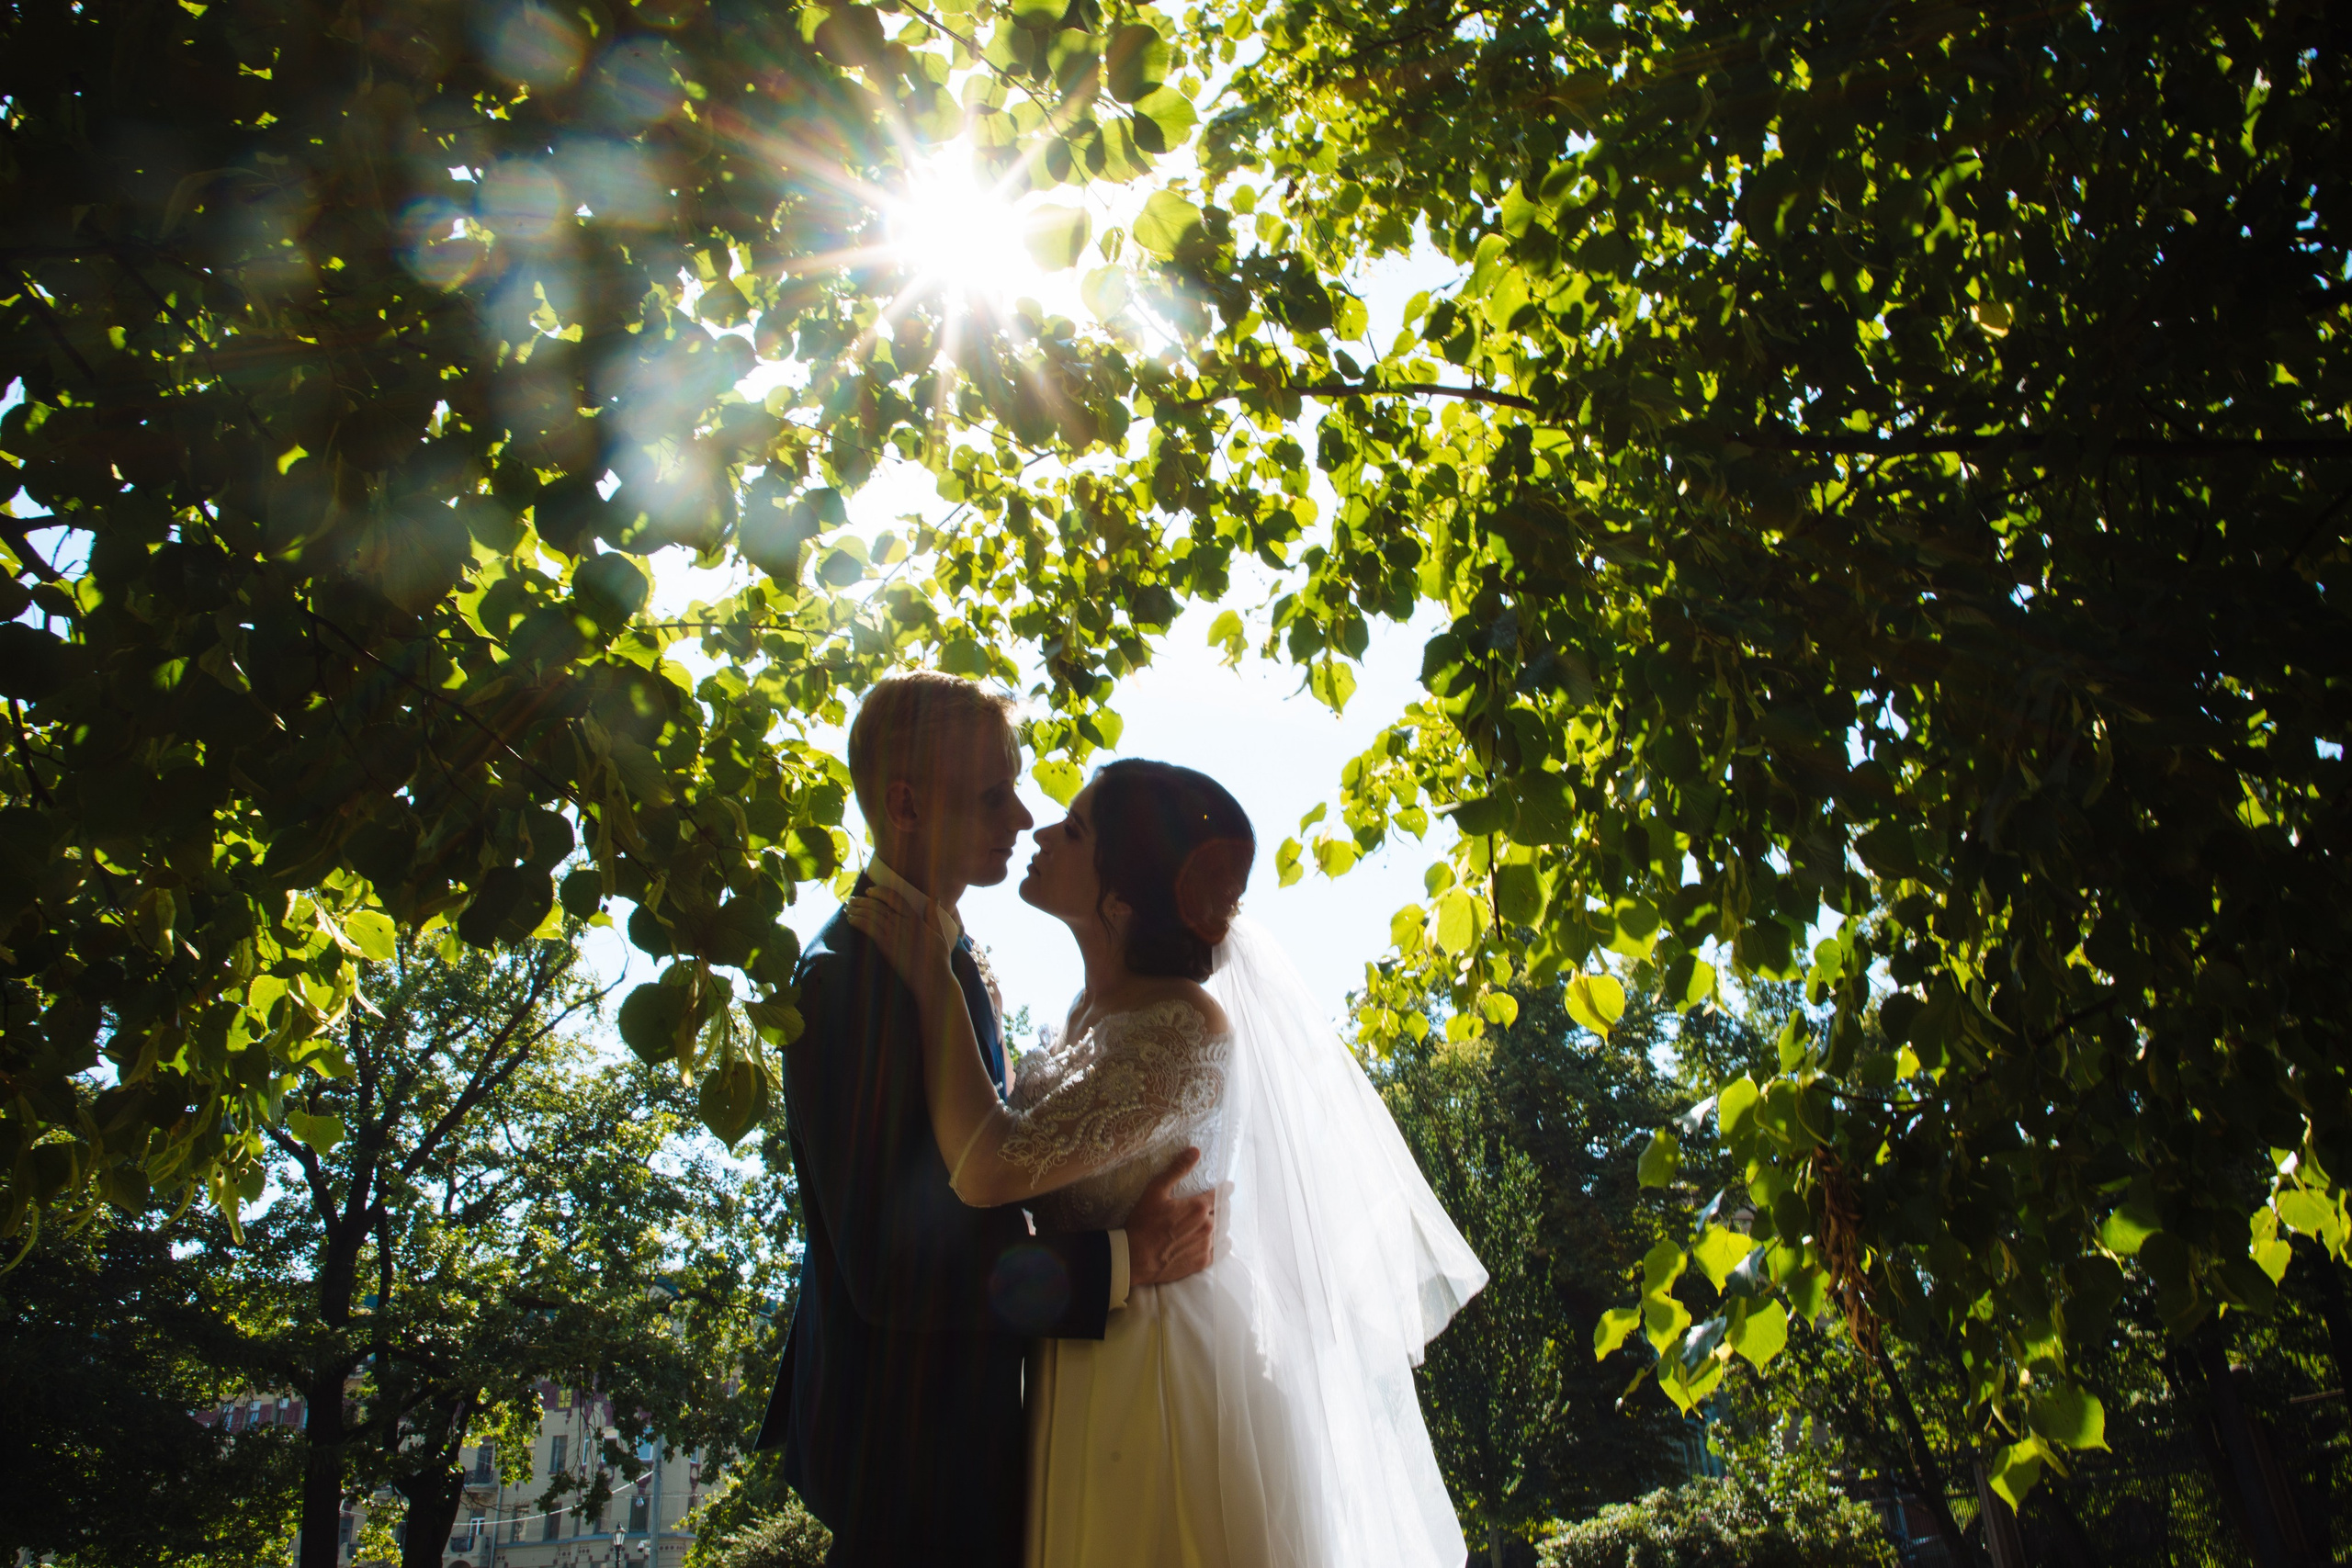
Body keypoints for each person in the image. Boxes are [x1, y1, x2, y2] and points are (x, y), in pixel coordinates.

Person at [848, 755, 1488, 1568]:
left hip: (1154, 1369)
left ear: (1122, 892)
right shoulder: (1093, 1011)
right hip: (1085, 1340)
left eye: (1075, 829)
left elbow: (989, 1166)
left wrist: (936, 986)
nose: (1042, 831)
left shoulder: (1184, 1026)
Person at [754, 674, 1217, 1567]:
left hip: (973, 1440)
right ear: (905, 805)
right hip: (912, 1457)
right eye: (992, 793)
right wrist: (1124, 1261)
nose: (1020, 817)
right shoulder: (848, 979)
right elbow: (892, 1270)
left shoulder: (935, 957)